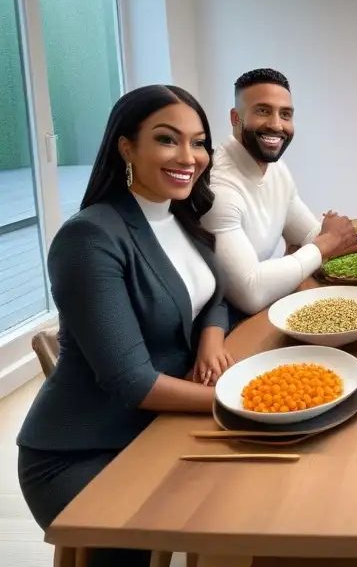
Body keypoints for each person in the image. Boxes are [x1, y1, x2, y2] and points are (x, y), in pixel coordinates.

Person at [18, 86, 233, 566]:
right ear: (125, 146)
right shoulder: (90, 237)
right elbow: (131, 381)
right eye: (167, 139)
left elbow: (213, 294)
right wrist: (244, 399)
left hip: (157, 426)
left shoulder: (179, 215)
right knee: (234, 517)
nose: (189, 156)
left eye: (199, 142)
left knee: (251, 507)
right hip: (87, 452)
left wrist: (210, 342)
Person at [203, 69, 356, 316]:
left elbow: (309, 235)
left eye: (285, 114)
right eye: (263, 111)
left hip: (275, 305)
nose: (276, 125)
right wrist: (325, 243)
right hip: (229, 327)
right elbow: (251, 293)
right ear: (235, 117)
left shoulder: (277, 169)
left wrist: (329, 237)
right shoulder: (218, 187)